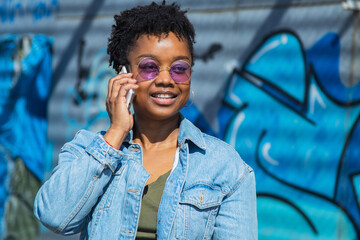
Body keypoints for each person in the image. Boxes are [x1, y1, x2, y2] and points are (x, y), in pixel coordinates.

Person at [34, 1, 258, 239]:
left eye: (179, 68)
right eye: (149, 67)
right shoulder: (87, 150)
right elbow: (53, 217)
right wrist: (115, 134)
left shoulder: (225, 166)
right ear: (123, 74)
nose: (165, 80)